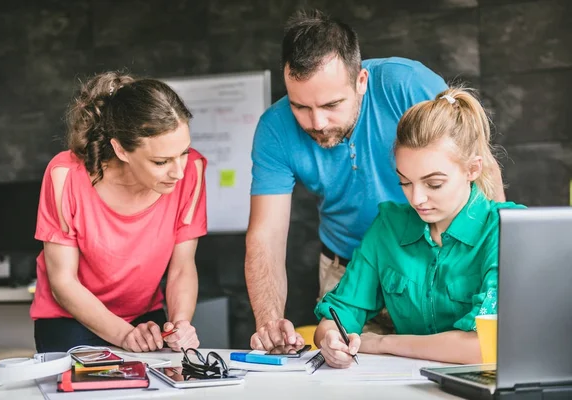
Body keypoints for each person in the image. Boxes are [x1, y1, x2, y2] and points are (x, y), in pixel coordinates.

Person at [246, 9, 506, 350]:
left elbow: (469, 150)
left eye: (331, 104)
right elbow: (266, 235)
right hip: (350, 267)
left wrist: (498, 251)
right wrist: (270, 324)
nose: (318, 122)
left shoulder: (406, 84)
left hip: (435, 259)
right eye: (300, 107)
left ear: (361, 81)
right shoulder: (274, 129)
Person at [313, 87, 525, 367]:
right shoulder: (388, 226)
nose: (417, 199)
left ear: (472, 170)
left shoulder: (506, 229)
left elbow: (484, 347)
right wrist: (330, 339)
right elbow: (339, 313)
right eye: (405, 182)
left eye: (434, 184)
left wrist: (382, 342)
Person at [30, 71, 207, 353]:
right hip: (70, 320)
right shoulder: (65, 176)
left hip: (145, 318)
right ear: (121, 150)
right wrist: (123, 335)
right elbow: (63, 281)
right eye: (161, 161)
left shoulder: (192, 172)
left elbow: (182, 267)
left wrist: (180, 325)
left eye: (183, 152)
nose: (178, 171)